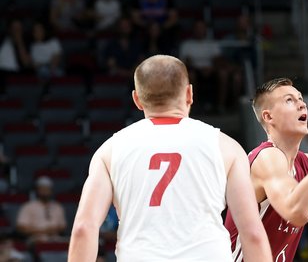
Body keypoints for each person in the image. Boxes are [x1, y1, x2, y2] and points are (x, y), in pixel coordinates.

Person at [68, 55, 272, 262]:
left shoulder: (109, 150)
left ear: (137, 99)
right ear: (189, 94)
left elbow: (84, 229)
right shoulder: (226, 146)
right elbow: (252, 233)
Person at [224, 77, 308, 262]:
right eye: (289, 100)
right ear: (268, 116)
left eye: (301, 98)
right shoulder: (267, 157)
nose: (301, 105)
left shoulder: (307, 163)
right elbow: (296, 211)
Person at [16, 176, 67, 243]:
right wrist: (43, 231)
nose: (45, 191)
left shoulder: (58, 206)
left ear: (51, 190)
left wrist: (53, 230)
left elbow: (63, 226)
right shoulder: (28, 206)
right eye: (42, 189)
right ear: (37, 190)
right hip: (34, 240)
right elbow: (21, 228)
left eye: (47, 189)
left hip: (55, 239)